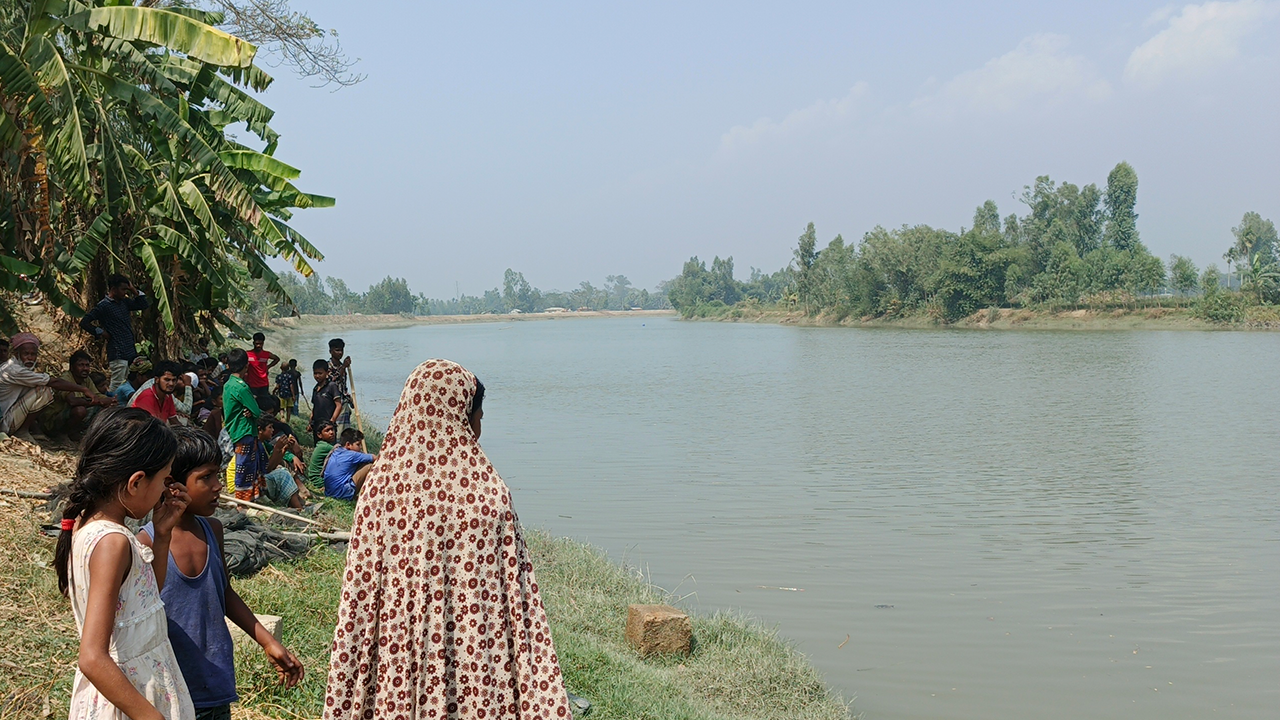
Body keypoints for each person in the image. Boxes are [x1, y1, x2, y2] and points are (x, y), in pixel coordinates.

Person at [322, 360, 570, 719]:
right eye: (479, 417)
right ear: (461, 417)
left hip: (397, 660)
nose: (479, 427)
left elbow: (360, 605)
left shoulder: (379, 490)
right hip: (475, 671)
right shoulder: (488, 495)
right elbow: (516, 608)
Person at [138, 427, 304, 718]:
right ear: (171, 485)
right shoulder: (148, 541)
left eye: (218, 475)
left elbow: (223, 593)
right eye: (206, 477)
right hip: (169, 690)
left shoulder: (212, 530)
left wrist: (268, 641)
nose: (218, 486)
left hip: (213, 684)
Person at [53, 407, 195, 720]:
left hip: (132, 687)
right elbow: (92, 658)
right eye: (163, 479)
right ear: (135, 482)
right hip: (127, 695)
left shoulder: (89, 525)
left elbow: (142, 599)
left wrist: (161, 535)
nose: (164, 490)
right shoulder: (112, 543)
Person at [0, 333, 107, 442]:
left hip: (9, 417)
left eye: (33, 354)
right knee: (44, 390)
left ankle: (31, 430)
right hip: (5, 422)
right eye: (26, 354)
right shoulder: (14, 370)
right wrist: (84, 390)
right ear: (16, 354)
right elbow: (54, 382)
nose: (30, 358)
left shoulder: (14, 367)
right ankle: (23, 431)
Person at [79, 274, 149, 392]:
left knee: (130, 384)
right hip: (117, 352)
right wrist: (101, 332)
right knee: (117, 384)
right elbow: (84, 322)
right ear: (113, 289)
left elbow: (143, 304)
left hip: (130, 350)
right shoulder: (103, 306)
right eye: (123, 289)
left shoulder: (124, 302)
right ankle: (112, 407)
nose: (125, 293)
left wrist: (133, 289)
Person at [40, 351, 115, 442]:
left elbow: (97, 395)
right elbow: (72, 401)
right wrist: (98, 401)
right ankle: (62, 434)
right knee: (80, 411)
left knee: (106, 407)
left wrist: (110, 400)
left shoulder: (86, 379)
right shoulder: (66, 378)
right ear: (72, 367)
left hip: (69, 415)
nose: (85, 368)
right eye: (81, 365)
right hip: (53, 419)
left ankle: (80, 433)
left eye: (87, 365)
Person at [221, 349, 263, 502]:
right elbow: (256, 411)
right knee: (244, 466)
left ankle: (250, 496)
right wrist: (251, 411)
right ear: (246, 366)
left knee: (246, 464)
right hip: (244, 430)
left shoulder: (228, 384)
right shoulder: (242, 387)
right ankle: (242, 501)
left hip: (234, 429)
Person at [320, 428, 374, 501]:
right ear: (348, 444)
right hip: (341, 493)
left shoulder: (336, 450)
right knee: (369, 466)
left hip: (329, 492)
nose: (360, 447)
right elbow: (375, 458)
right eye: (358, 445)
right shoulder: (352, 455)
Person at [130, 361, 181, 426]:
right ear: (157, 379)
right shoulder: (146, 397)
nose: (171, 384)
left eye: (174, 380)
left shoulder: (168, 396)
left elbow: (174, 421)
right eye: (167, 380)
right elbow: (151, 427)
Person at [306, 359, 344, 442]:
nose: (317, 376)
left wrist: (332, 421)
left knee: (330, 449)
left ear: (327, 373)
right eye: (315, 373)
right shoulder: (315, 389)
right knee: (318, 447)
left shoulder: (331, 386)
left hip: (328, 427)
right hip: (317, 426)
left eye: (320, 373)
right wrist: (310, 423)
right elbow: (315, 407)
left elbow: (339, 405)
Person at [326, 339, 352, 430]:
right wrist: (344, 367)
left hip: (343, 402)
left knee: (344, 430)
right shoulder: (327, 366)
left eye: (341, 350)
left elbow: (343, 386)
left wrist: (350, 399)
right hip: (333, 403)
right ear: (330, 351)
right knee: (335, 429)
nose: (340, 353)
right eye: (337, 350)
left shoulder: (341, 365)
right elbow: (332, 381)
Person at [245, 333, 278, 402]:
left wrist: (268, 367)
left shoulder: (267, 354)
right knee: (253, 402)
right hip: (251, 384)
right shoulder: (247, 354)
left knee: (264, 404)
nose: (258, 346)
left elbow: (277, 359)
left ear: (263, 343)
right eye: (257, 344)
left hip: (264, 384)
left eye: (260, 344)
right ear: (253, 343)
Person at [305, 421, 337, 493]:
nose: (331, 432)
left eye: (332, 429)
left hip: (315, 479)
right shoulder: (325, 447)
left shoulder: (321, 444)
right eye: (327, 431)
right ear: (319, 435)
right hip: (319, 480)